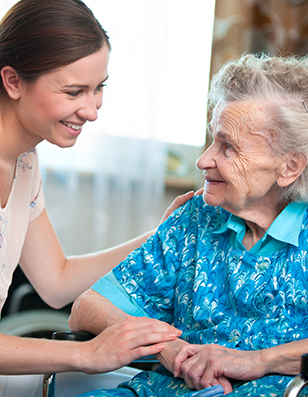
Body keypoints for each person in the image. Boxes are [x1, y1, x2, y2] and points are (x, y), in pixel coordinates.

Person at [69, 52, 308, 397]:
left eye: (228, 147)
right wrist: (168, 348)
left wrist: (259, 360)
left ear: (289, 167)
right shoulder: (197, 217)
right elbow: (86, 308)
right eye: (213, 139)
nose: (204, 159)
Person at [0, 0, 197, 388]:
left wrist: (161, 236)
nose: (91, 111)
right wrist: (87, 354)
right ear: (13, 81)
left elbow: (56, 281)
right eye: (74, 92)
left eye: (98, 88)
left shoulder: (24, 162)